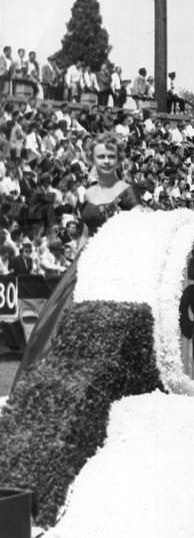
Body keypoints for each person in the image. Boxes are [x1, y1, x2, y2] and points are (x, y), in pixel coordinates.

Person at [13, 136, 139, 387]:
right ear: (93, 159)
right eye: (100, 156)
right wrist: (77, 258)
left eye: (110, 157)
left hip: (115, 259)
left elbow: (136, 227)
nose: (105, 161)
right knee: (58, 319)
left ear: (117, 160)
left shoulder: (126, 191)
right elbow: (83, 231)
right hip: (86, 259)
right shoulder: (88, 192)